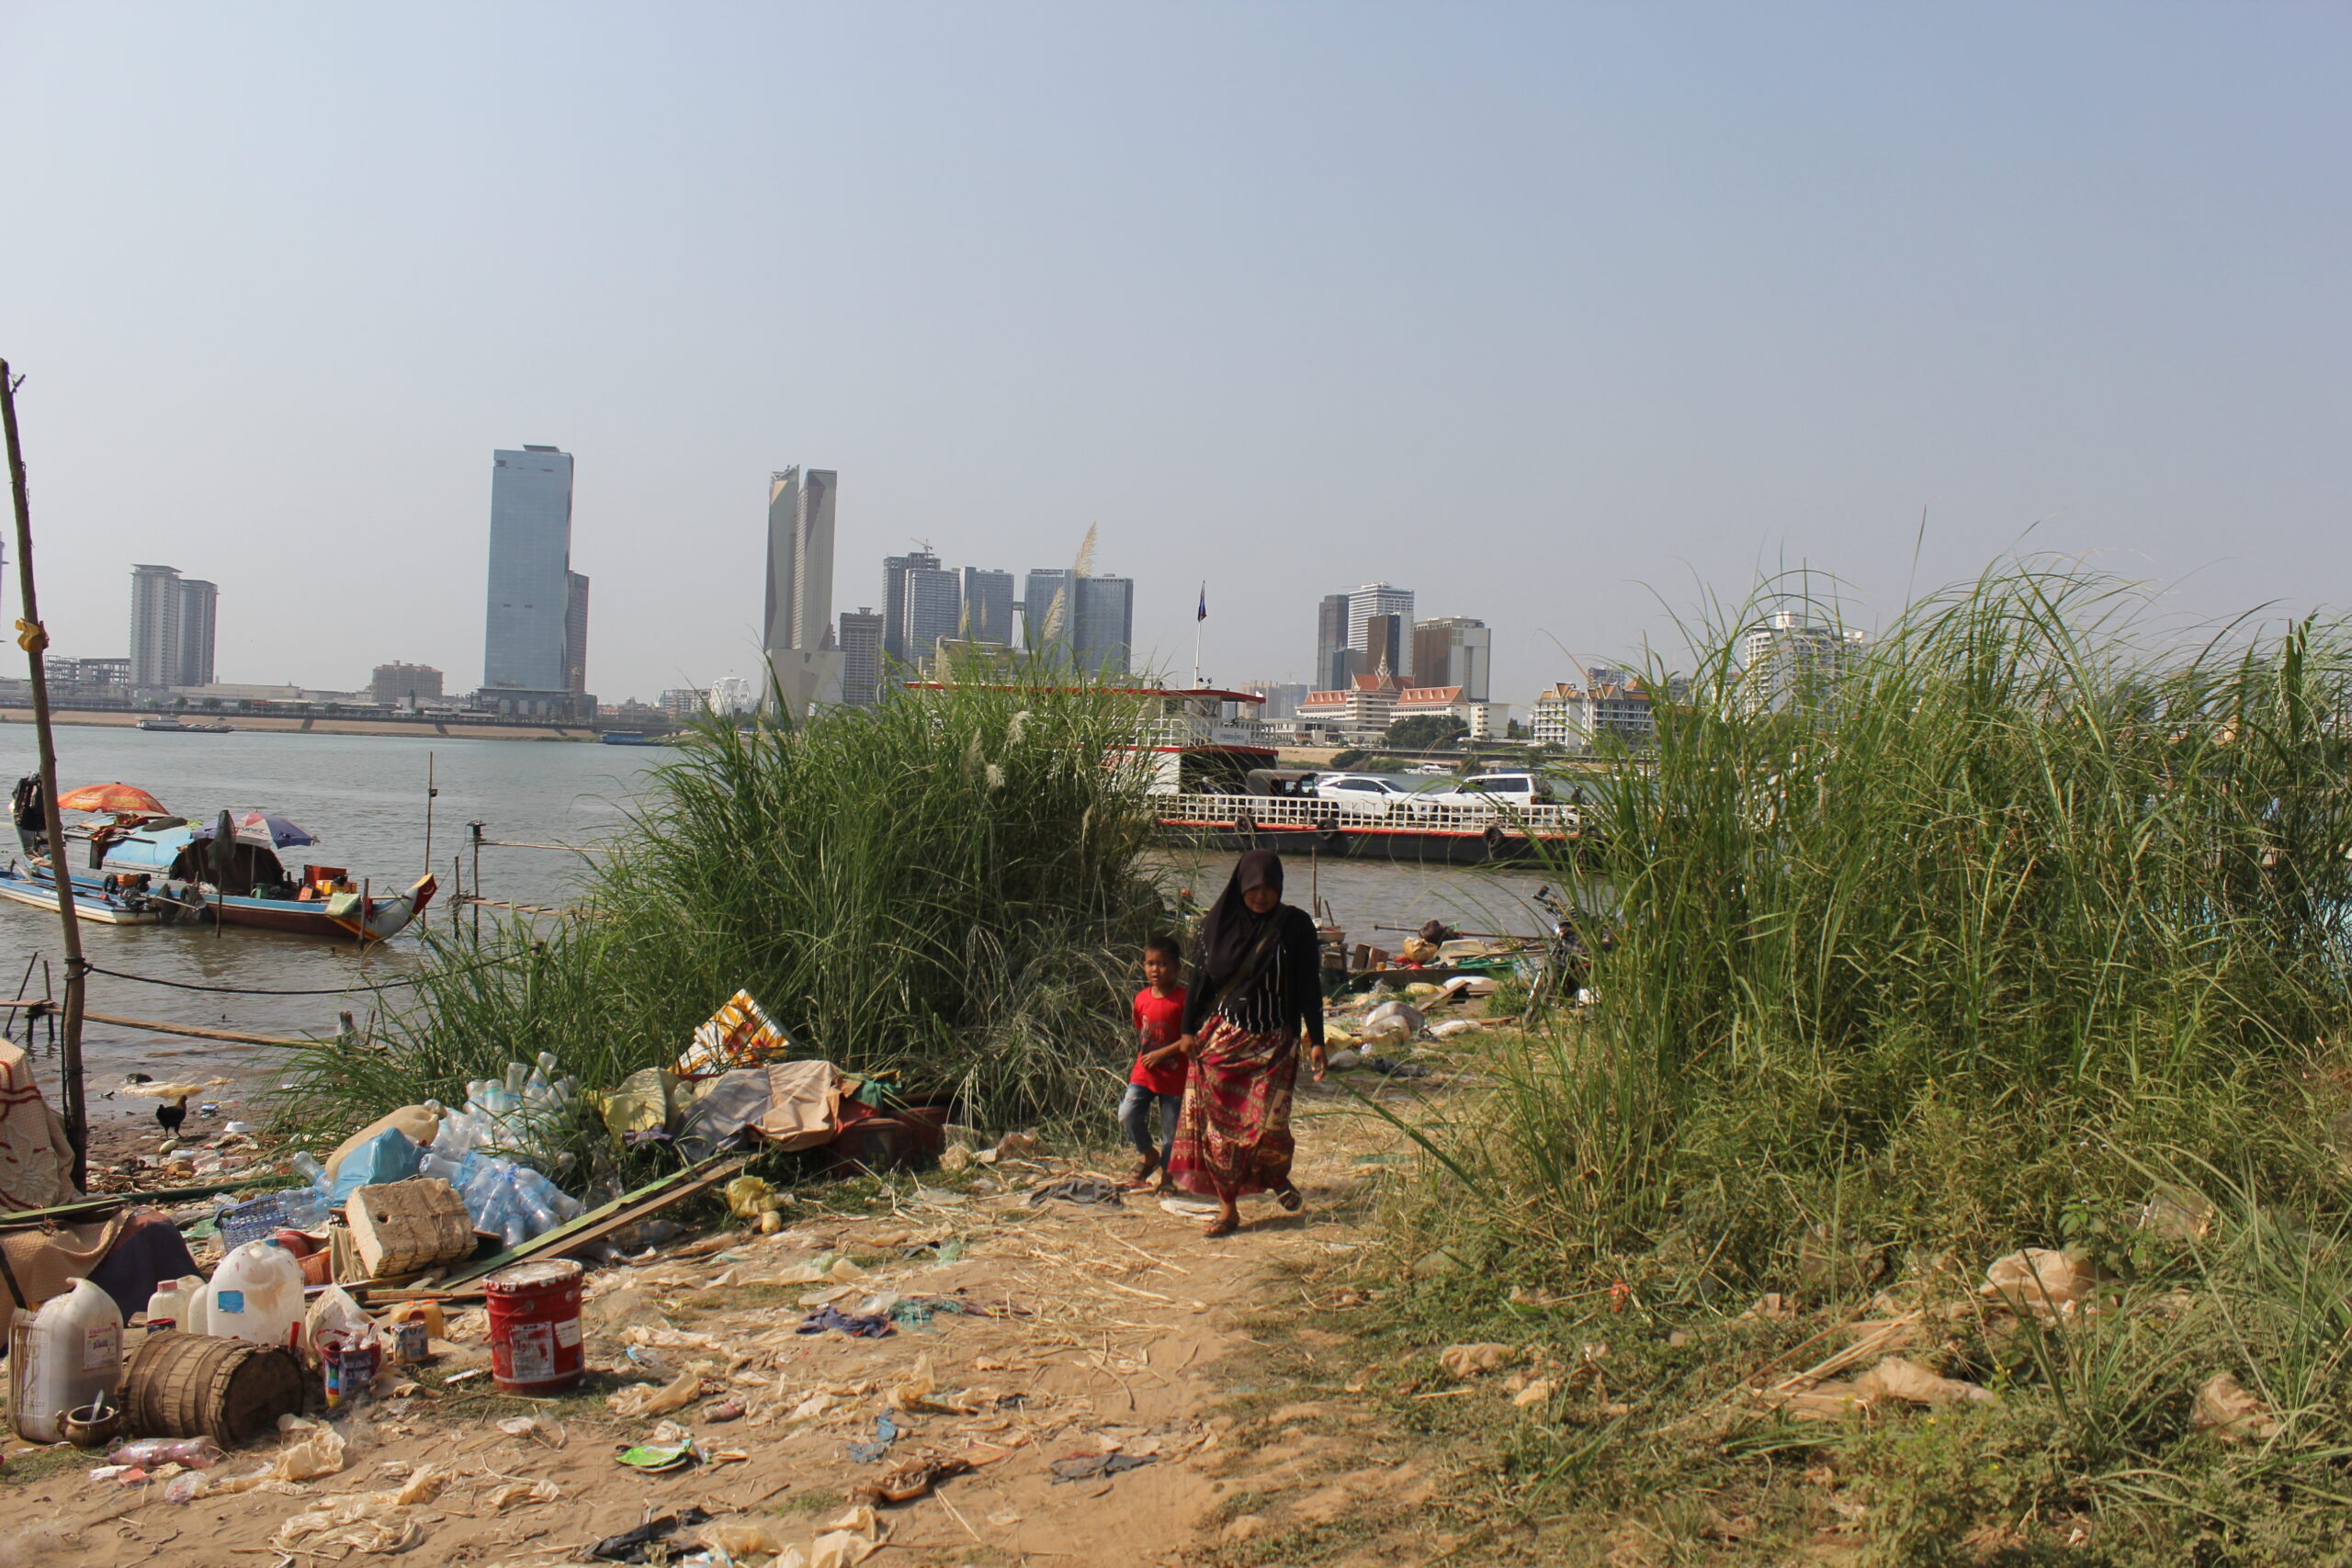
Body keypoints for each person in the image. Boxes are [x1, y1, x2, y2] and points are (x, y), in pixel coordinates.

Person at [1166, 849, 1327, 1236]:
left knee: (1268, 1126)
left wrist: (1316, 1039)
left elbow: (1308, 985)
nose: (1261, 896)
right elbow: (1200, 983)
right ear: (1241, 886)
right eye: (1254, 888)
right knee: (1220, 1131)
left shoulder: (1296, 926)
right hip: (1225, 1042)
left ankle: (1273, 1176)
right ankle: (1228, 1209)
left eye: (1270, 888)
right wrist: (1187, 1031)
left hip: (1275, 1043)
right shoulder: (1217, 925)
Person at [1119, 933, 1189, 1190]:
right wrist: (1152, 1057)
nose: (1155, 969)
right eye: (1149, 963)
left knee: (1170, 1134)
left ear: (1176, 967)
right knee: (1127, 1114)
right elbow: (1143, 1032)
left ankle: (1168, 1178)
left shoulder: (1184, 999)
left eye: (1162, 964)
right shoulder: (1141, 998)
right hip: (1144, 1074)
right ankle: (1149, 1155)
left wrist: (1163, 1054)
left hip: (1175, 1077)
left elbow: (1190, 1039)